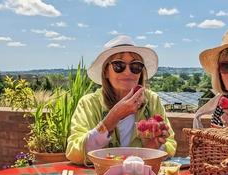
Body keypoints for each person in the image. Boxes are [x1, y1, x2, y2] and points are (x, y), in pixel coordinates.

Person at [66, 35, 177, 165]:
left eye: (136, 66)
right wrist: (113, 117)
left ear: (141, 72)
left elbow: (170, 144)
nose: (128, 72)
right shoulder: (89, 103)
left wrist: (154, 148)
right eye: (119, 65)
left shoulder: (152, 100)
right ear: (106, 72)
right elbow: (75, 153)